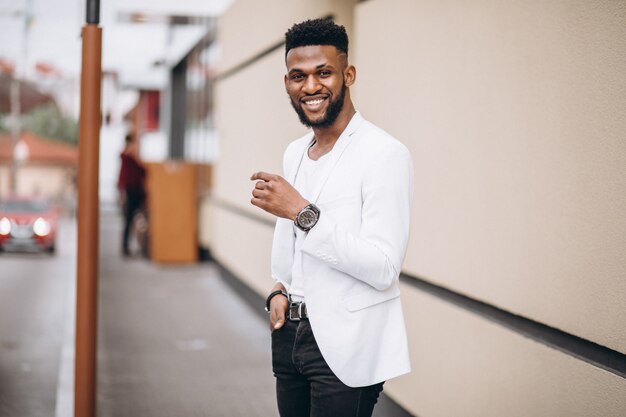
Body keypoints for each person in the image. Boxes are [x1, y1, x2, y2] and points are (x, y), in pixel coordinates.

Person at [250, 18, 414, 417]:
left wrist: (301, 212)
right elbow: (293, 252)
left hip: (347, 347)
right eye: (298, 76)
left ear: (348, 74)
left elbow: (383, 267)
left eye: (323, 72)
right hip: (290, 334)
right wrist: (279, 289)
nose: (310, 87)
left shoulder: (384, 154)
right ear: (286, 82)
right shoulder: (294, 153)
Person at [117, 133, 146, 257]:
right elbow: (141, 171)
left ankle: (130, 245)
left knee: (131, 219)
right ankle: (126, 247)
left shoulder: (127, 157)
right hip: (132, 191)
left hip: (132, 191)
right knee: (130, 219)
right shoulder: (129, 157)